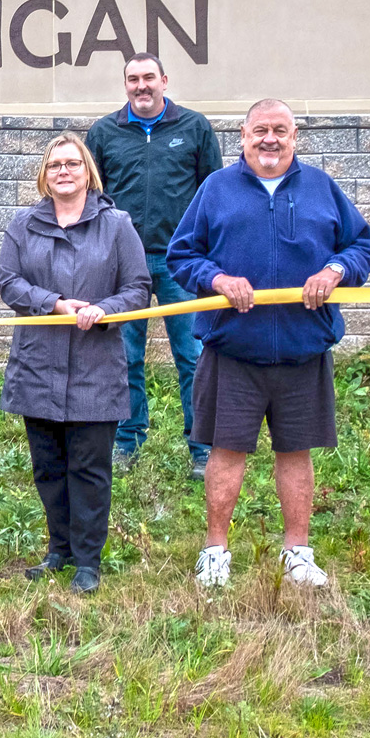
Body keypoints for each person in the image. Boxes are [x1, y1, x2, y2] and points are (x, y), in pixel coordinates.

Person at [166, 100, 370, 591]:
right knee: (226, 450)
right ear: (242, 136)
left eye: (280, 130)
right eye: (260, 130)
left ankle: (297, 553)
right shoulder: (216, 189)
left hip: (303, 349)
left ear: (295, 136)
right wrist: (215, 278)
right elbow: (181, 255)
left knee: (296, 451)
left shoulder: (321, 188)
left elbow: (360, 245)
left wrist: (335, 270)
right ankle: (215, 552)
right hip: (233, 349)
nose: (270, 139)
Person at [0, 133, 151, 593]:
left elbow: (139, 288)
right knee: (48, 465)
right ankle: (58, 550)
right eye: (55, 165)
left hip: (94, 367)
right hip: (37, 367)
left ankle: (88, 560)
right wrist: (55, 303)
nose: (64, 171)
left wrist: (105, 309)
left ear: (88, 172)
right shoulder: (23, 225)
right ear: (44, 175)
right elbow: (9, 283)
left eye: (73, 164)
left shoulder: (117, 224)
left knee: (89, 468)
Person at [86, 53, 222, 480]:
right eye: (132, 79)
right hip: (122, 264)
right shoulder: (104, 132)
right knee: (124, 357)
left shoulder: (195, 128)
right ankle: (127, 442)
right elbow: (92, 197)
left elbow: (213, 194)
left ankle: (202, 448)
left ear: (164, 80)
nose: (141, 86)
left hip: (182, 261)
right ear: (124, 85)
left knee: (193, 356)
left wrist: (209, 253)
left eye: (149, 77)